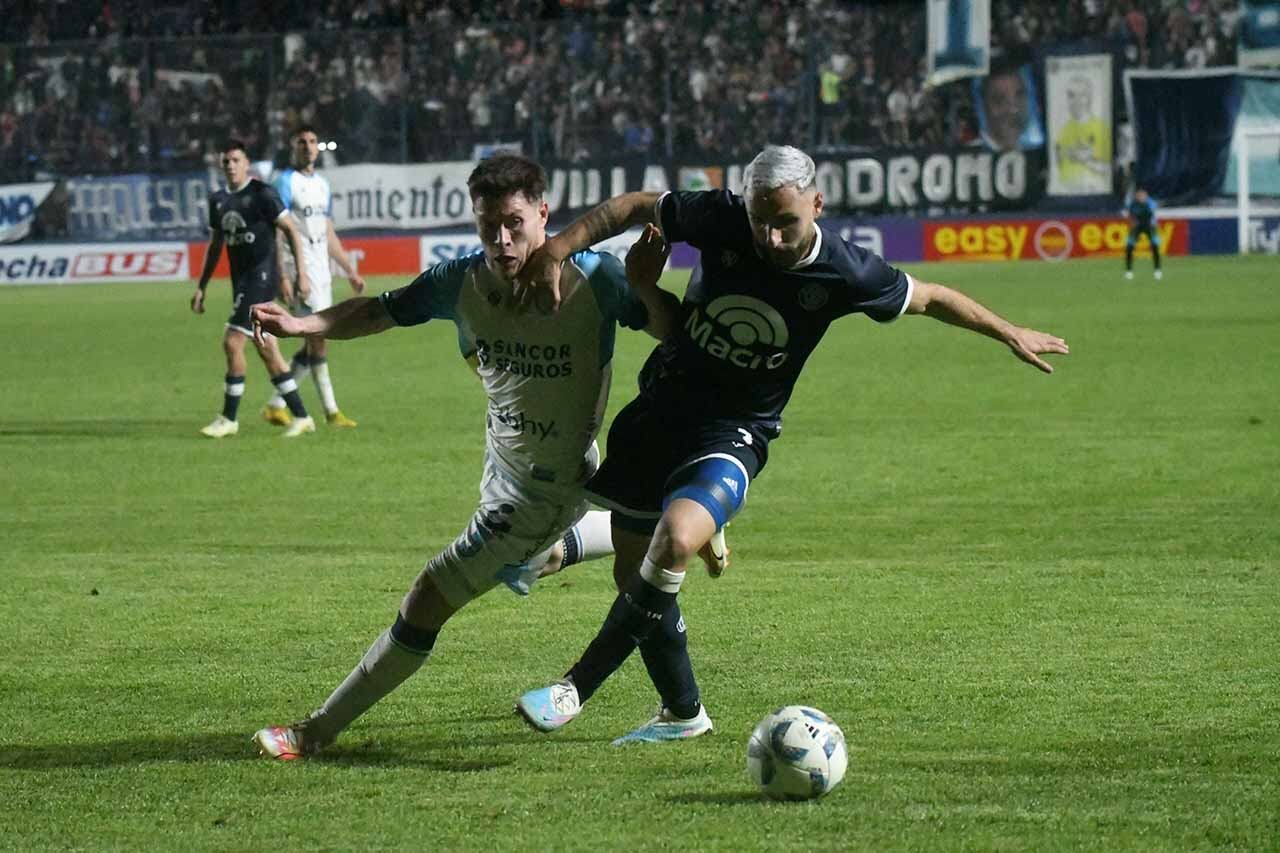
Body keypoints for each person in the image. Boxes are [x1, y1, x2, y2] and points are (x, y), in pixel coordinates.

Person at [514, 144, 1069, 744]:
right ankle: (683, 714)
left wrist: (1007, 330)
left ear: (817, 205)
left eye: (786, 223)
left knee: (673, 542)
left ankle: (574, 688)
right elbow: (633, 207)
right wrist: (557, 249)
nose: (771, 238)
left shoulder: (847, 271)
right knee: (636, 578)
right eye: (760, 222)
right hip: (658, 412)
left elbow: (930, 298)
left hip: (735, 430)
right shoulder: (720, 216)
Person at [247, 154, 723, 760]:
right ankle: (672, 526)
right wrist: (302, 322)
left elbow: (674, 332)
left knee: (429, 595)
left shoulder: (593, 279)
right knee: (535, 559)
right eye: (487, 225)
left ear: (543, 214)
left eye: (514, 223)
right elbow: (381, 310)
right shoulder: (462, 282)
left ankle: (316, 732)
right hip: (505, 468)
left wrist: (643, 286)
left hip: (542, 489)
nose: (501, 239)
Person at [190, 139, 317, 439]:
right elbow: (215, 246)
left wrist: (300, 274)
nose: (231, 166)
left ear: (247, 163)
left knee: (232, 342)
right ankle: (302, 416)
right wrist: (201, 287)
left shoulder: (262, 194)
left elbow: (291, 232)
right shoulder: (218, 201)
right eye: (226, 162)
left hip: (261, 280)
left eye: (236, 160)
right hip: (241, 282)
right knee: (267, 348)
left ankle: (229, 418)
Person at [262, 125, 368, 430]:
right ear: (293, 148)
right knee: (318, 338)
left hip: (321, 270)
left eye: (312, 141)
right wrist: (286, 274)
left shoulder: (322, 184)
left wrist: (349, 269)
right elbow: (277, 231)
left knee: (316, 340)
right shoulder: (285, 182)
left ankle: (276, 404)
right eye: (301, 142)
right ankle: (331, 412)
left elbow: (327, 230)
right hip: (300, 270)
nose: (308, 146)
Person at [1054, 76, 1111, 193]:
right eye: (1071, 95)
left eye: (1082, 95)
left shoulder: (1102, 128)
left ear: (1089, 98)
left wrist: (1086, 160)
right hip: (1065, 195)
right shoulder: (1063, 130)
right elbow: (1058, 164)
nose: (1076, 101)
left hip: (1095, 195)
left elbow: (1109, 169)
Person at [1123, 187, 1162, 280]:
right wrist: (1132, 222)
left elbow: (1152, 214)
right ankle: (1129, 271)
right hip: (1137, 227)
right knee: (1129, 247)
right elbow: (1129, 214)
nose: (1141, 197)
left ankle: (1157, 271)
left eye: (1143, 195)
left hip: (1149, 226)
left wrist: (1154, 224)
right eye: (1139, 195)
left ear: (1146, 196)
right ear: (1137, 196)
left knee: (1155, 247)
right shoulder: (1132, 204)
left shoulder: (1151, 203)